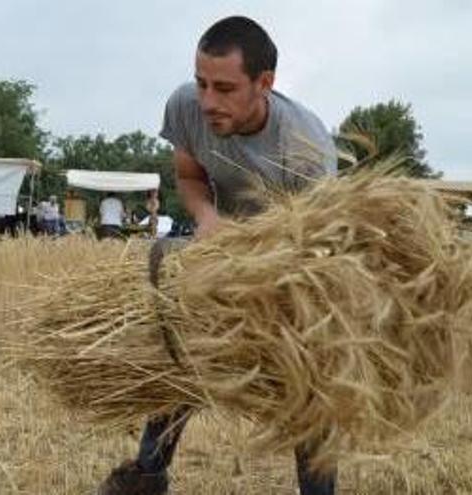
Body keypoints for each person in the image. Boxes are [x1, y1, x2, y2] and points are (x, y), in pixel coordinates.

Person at [98, 16, 337, 495]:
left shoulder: (305, 151)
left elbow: (316, 246)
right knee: (180, 344)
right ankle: (148, 475)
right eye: (201, 82)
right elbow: (188, 178)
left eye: (225, 88)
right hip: (220, 245)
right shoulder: (186, 106)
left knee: (309, 379)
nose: (208, 101)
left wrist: (253, 262)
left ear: (264, 83)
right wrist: (207, 218)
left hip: (293, 263)